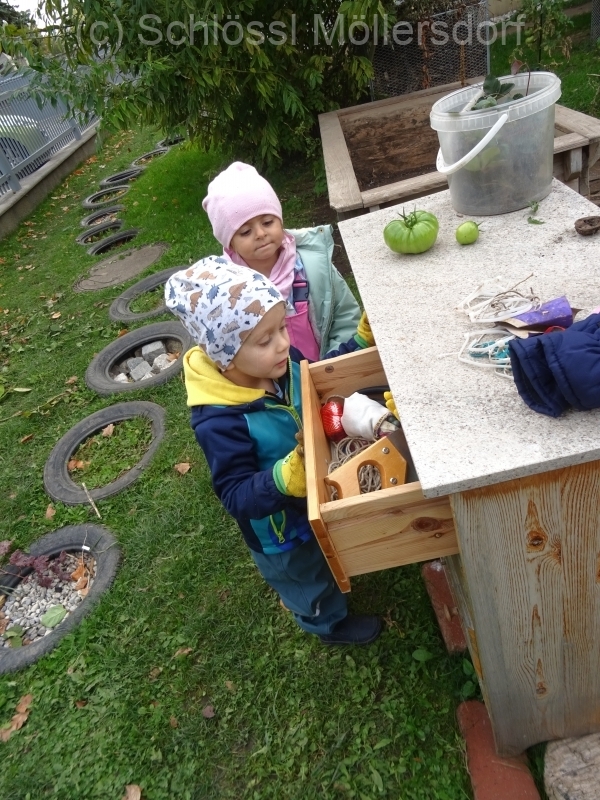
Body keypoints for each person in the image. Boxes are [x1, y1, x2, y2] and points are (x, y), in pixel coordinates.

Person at [165, 258, 381, 646]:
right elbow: (234, 494)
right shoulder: (219, 421)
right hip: (280, 528)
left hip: (314, 489)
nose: (283, 343)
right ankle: (327, 624)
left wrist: (359, 344)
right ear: (224, 355)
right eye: (264, 340)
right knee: (304, 576)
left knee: (328, 545)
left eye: (282, 328)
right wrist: (284, 478)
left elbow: (317, 377)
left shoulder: (280, 362)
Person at [202, 161, 361, 361]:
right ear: (229, 244)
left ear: (280, 220)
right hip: (272, 380)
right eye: (245, 231)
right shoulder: (228, 291)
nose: (261, 233)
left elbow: (345, 317)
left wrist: (333, 363)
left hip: (329, 369)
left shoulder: (312, 266)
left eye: (268, 222)